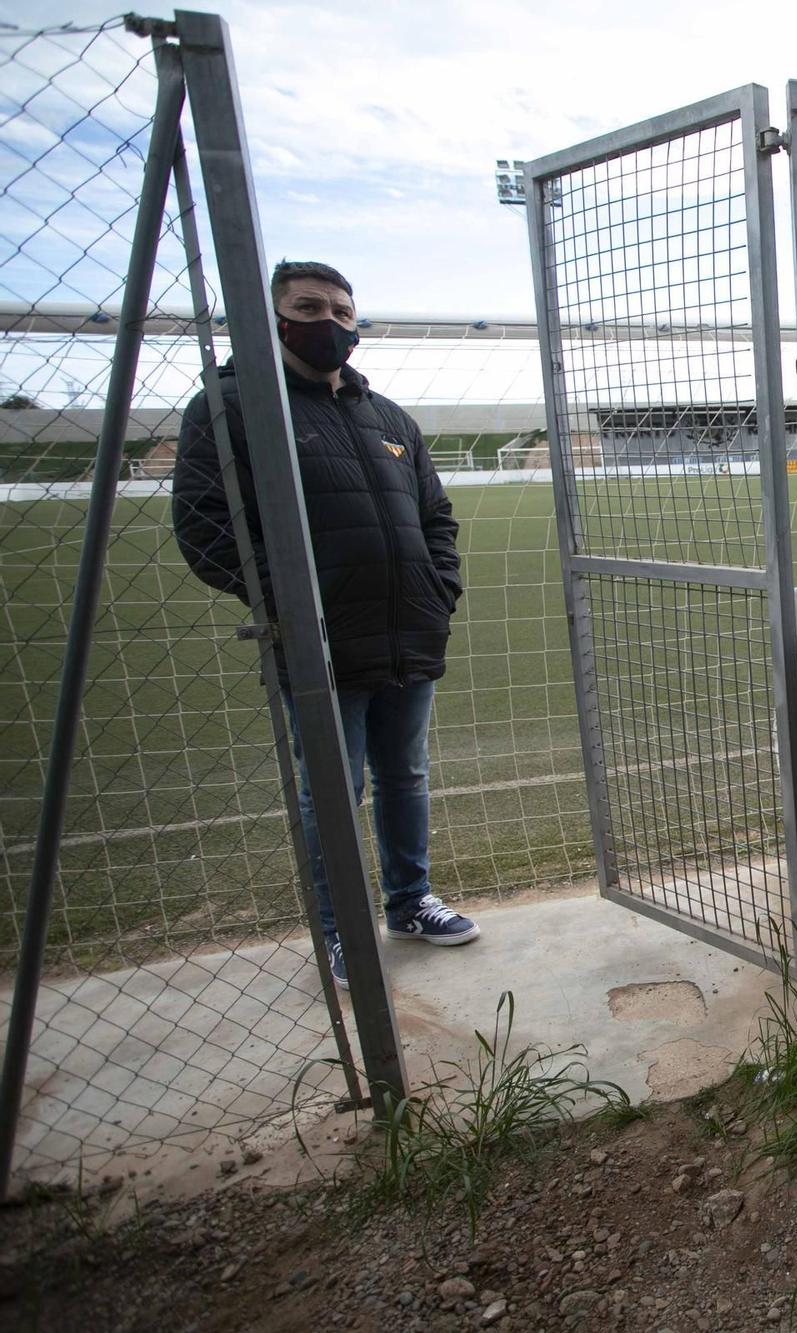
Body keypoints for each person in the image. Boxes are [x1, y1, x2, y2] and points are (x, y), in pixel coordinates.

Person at [172, 259, 479, 990]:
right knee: (332, 792)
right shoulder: (233, 408)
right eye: (309, 307)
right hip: (319, 645)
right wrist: (290, 603)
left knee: (405, 774)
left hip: (408, 633)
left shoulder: (388, 417)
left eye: (342, 311)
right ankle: (341, 932)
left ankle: (410, 902)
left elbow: (435, 516)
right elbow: (204, 527)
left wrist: (438, 590)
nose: (329, 323)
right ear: (273, 318)